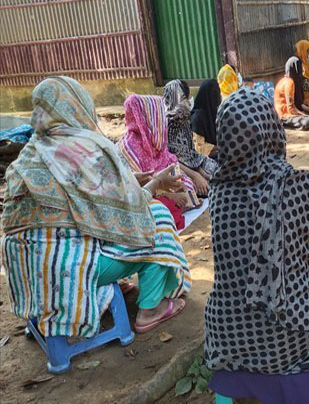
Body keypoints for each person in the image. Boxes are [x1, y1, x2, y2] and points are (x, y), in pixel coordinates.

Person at [1, 77, 191, 337]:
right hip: (69, 268)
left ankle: (108, 285)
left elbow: (85, 194)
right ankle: (151, 309)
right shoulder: (87, 148)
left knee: (86, 225)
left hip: (29, 270)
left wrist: (134, 180)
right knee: (156, 218)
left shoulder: (30, 153)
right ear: (78, 104)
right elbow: (131, 209)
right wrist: (158, 182)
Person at [205, 88, 309, 404]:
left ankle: (236, 388)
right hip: (288, 338)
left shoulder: (218, 193)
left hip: (227, 332)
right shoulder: (299, 185)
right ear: (271, 127)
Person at [118, 94, 201, 210]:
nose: (163, 120)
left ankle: (181, 203)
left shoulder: (155, 139)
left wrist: (181, 187)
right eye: (159, 116)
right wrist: (169, 195)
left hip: (164, 185)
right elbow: (135, 188)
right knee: (158, 206)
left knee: (187, 184)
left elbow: (172, 165)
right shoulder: (128, 148)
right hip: (147, 194)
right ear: (150, 119)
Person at [164, 80, 218, 188]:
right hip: (175, 169)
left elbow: (192, 154)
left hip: (193, 165)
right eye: (185, 98)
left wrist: (202, 173)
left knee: (217, 171)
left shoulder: (184, 122)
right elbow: (169, 160)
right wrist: (195, 176)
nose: (188, 103)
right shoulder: (164, 127)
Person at [274, 57, 309, 131]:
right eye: (301, 67)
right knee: (307, 122)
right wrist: (307, 116)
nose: (302, 70)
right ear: (297, 69)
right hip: (284, 117)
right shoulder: (289, 83)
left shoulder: (287, 80)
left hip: (288, 114)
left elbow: (297, 104)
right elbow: (291, 109)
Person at [191, 78, 221, 157]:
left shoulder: (215, 113)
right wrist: (220, 148)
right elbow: (199, 148)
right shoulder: (197, 118)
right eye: (215, 93)